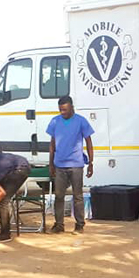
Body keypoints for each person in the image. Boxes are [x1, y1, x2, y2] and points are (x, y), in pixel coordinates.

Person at [47, 96, 94, 235]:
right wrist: (51, 163)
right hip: (59, 164)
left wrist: (91, 162)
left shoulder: (81, 121)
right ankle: (59, 225)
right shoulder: (55, 121)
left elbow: (89, 142)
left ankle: (80, 225)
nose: (62, 112)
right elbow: (52, 144)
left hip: (76, 164)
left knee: (77, 196)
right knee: (59, 196)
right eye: (60, 110)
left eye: (65, 110)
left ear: (72, 107)